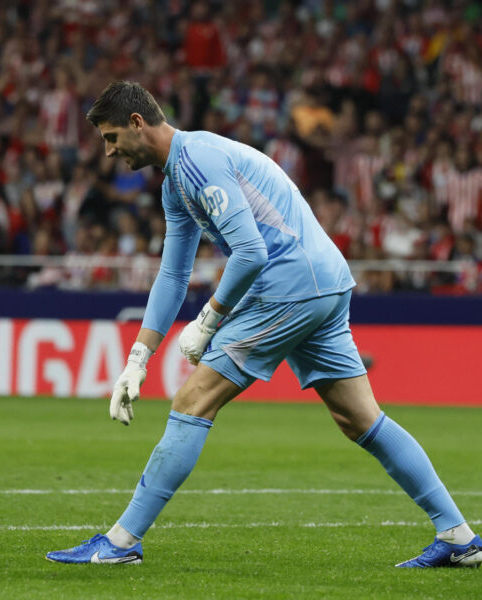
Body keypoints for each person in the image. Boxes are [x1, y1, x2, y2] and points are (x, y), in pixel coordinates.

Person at [46, 81, 481, 568]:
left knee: (194, 399)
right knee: (360, 418)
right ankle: (459, 536)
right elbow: (172, 274)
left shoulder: (198, 162)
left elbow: (251, 252)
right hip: (324, 280)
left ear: (136, 123)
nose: (108, 152)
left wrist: (209, 321)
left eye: (110, 137)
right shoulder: (177, 180)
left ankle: (121, 543)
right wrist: (138, 358)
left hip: (288, 283)